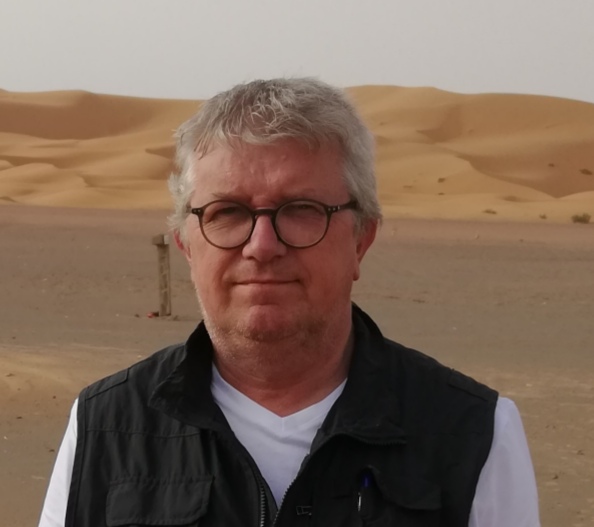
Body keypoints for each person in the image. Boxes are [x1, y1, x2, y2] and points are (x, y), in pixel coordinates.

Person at [39, 78, 540, 527]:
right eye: (227, 211)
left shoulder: (474, 433)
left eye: (301, 209)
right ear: (187, 246)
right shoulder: (103, 426)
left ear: (361, 239)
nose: (262, 246)